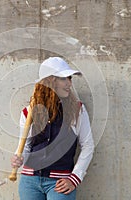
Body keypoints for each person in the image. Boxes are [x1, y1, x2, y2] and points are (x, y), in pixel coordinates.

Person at [11, 57, 94, 200]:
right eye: (64, 79)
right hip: (29, 181)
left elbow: (88, 146)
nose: (69, 83)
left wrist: (75, 178)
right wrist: (18, 159)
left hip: (60, 182)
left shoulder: (77, 110)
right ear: (49, 82)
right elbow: (25, 146)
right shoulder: (29, 111)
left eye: (69, 78)